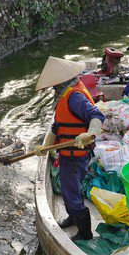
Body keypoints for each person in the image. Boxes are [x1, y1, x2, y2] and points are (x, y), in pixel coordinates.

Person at [34, 57, 105, 242]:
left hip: (76, 154)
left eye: (54, 84)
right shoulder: (64, 95)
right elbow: (58, 126)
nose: (52, 88)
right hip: (68, 154)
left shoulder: (74, 97)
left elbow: (96, 115)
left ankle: (85, 233)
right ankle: (73, 217)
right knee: (68, 189)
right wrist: (46, 147)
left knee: (71, 191)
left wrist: (89, 134)